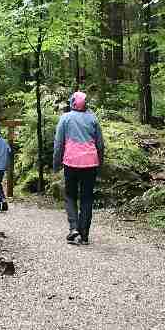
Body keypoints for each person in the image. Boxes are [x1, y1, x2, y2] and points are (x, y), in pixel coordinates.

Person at [52, 90, 104, 245]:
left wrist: (56, 164)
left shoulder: (65, 118)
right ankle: (85, 234)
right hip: (90, 164)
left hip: (71, 163)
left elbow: (58, 144)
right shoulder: (93, 119)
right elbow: (100, 144)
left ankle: (74, 228)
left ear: (72, 103)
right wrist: (100, 163)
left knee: (70, 196)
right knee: (87, 198)